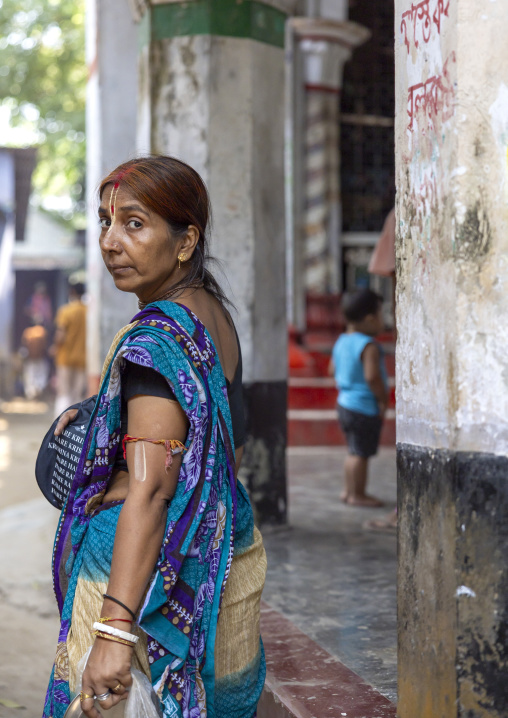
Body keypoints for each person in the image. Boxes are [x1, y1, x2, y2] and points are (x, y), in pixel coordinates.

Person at [43, 156, 266, 718]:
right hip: (223, 549)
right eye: (104, 222)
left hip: (145, 574)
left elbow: (150, 492)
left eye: (134, 224)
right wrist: (101, 418)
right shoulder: (210, 314)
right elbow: (199, 428)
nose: (110, 242)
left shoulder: (159, 336)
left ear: (186, 241)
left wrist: (115, 632)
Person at [329, 288, 388, 507]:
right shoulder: (369, 345)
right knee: (361, 454)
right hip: (363, 406)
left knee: (353, 451)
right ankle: (358, 494)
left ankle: (348, 490)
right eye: (381, 315)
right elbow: (372, 377)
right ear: (371, 318)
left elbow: (331, 369)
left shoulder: (342, 341)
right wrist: (383, 399)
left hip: (344, 403)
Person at [52, 280, 87, 418]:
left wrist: (55, 347)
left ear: (71, 292)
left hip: (65, 358)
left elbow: (60, 334)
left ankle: (60, 421)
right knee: (77, 394)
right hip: (83, 358)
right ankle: (76, 423)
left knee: (64, 392)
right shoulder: (88, 311)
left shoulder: (65, 311)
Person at [20, 318, 49, 400]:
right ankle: (37, 391)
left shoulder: (28, 332)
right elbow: (44, 344)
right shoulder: (42, 331)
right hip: (39, 357)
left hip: (31, 357)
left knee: (30, 375)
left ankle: (31, 393)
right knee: (40, 374)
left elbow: (24, 343)